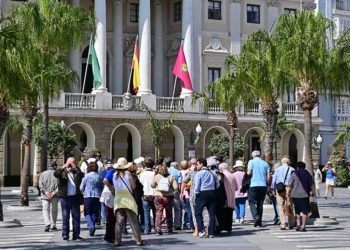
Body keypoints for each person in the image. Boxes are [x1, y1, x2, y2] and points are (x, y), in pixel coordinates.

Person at [112, 157, 146, 247]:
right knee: (133, 221)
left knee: (119, 222)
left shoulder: (114, 175)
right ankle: (138, 240)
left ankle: (117, 241)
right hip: (128, 199)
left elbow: (114, 187)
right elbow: (134, 187)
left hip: (118, 199)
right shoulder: (128, 174)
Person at [54, 157, 84, 241]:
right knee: (65, 216)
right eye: (69, 163)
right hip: (65, 197)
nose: (70, 165)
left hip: (75, 198)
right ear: (66, 163)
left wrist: (76, 167)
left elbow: (82, 175)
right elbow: (55, 174)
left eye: (73, 163)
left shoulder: (76, 172)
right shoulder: (62, 172)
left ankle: (76, 235)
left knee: (76, 217)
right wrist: (63, 167)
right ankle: (65, 235)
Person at [194, 158, 220, 238]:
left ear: (202, 164)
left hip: (202, 192)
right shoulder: (212, 173)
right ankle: (211, 232)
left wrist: (196, 193)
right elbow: (218, 185)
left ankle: (201, 230)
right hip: (212, 192)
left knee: (198, 212)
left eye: (197, 164)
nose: (196, 166)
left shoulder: (199, 173)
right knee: (211, 213)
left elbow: (197, 186)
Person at [151, 164, 178, 235]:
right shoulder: (171, 177)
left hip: (158, 196)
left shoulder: (157, 176)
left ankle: (158, 229)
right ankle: (170, 229)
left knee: (159, 212)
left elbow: (152, 185)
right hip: (169, 197)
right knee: (169, 213)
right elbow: (175, 187)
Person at [287, 161, 314, 232]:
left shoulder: (294, 173)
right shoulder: (307, 173)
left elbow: (289, 184)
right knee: (305, 211)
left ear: (297, 167)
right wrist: (311, 191)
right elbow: (311, 183)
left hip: (295, 194)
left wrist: (288, 193)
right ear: (304, 167)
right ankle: (303, 226)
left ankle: (298, 224)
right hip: (304, 194)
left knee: (297, 210)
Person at [80, 161, 104, 236]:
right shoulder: (99, 177)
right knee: (94, 212)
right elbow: (102, 187)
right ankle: (92, 225)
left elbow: (81, 187)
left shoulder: (86, 176)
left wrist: (82, 192)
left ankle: (91, 226)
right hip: (97, 196)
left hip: (87, 196)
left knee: (87, 212)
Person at [247, 151, 270, 227]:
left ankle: (256, 216)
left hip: (253, 185)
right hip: (263, 185)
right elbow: (268, 177)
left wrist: (247, 173)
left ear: (253, 156)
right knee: (260, 203)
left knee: (252, 202)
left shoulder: (251, 162)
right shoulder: (265, 163)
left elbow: (249, 173)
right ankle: (259, 220)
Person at [271, 157, 295, 230]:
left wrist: (273, 189)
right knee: (289, 205)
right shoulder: (292, 169)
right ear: (288, 162)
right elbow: (294, 179)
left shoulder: (278, 169)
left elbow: (274, 180)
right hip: (289, 188)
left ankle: (283, 223)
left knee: (280, 206)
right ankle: (291, 223)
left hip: (279, 188)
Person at [217, 162, 238, 233]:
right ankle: (229, 227)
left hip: (224, 197)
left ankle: (222, 227)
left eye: (219, 169)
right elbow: (236, 187)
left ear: (222, 169)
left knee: (222, 213)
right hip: (231, 197)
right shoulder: (232, 175)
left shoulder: (221, 175)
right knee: (230, 213)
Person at [39, 160, 59, 232]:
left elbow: (40, 186)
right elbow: (59, 186)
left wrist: (46, 192)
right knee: (54, 210)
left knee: (45, 209)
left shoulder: (43, 174)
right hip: (55, 195)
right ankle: (53, 225)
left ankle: (47, 223)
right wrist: (53, 193)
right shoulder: (57, 174)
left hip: (45, 195)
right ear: (55, 166)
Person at [139, 157, 156, 234]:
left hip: (145, 194)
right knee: (155, 211)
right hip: (154, 194)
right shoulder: (154, 174)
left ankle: (147, 228)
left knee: (146, 211)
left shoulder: (142, 174)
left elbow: (140, 184)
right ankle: (156, 226)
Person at [100, 158, 116, 243]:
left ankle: (112, 236)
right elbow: (105, 180)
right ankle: (110, 236)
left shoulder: (115, 171)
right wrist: (112, 188)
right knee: (111, 217)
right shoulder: (112, 171)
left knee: (113, 218)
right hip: (111, 196)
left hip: (115, 196)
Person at [183, 158, 199, 237]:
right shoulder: (203, 172)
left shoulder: (191, 172)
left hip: (192, 194)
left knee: (192, 211)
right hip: (202, 194)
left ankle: (195, 228)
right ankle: (203, 228)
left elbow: (184, 180)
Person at [180, 160, 194, 230]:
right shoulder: (190, 171)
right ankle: (192, 224)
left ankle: (187, 223)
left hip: (186, 193)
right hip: (192, 192)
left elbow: (183, 182)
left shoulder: (183, 172)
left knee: (187, 209)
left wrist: (181, 192)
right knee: (191, 210)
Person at [168, 161, 182, 230]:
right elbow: (179, 184)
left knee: (168, 208)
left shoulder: (166, 170)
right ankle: (177, 224)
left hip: (167, 191)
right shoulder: (178, 172)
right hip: (175, 191)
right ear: (175, 166)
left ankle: (169, 224)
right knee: (177, 208)